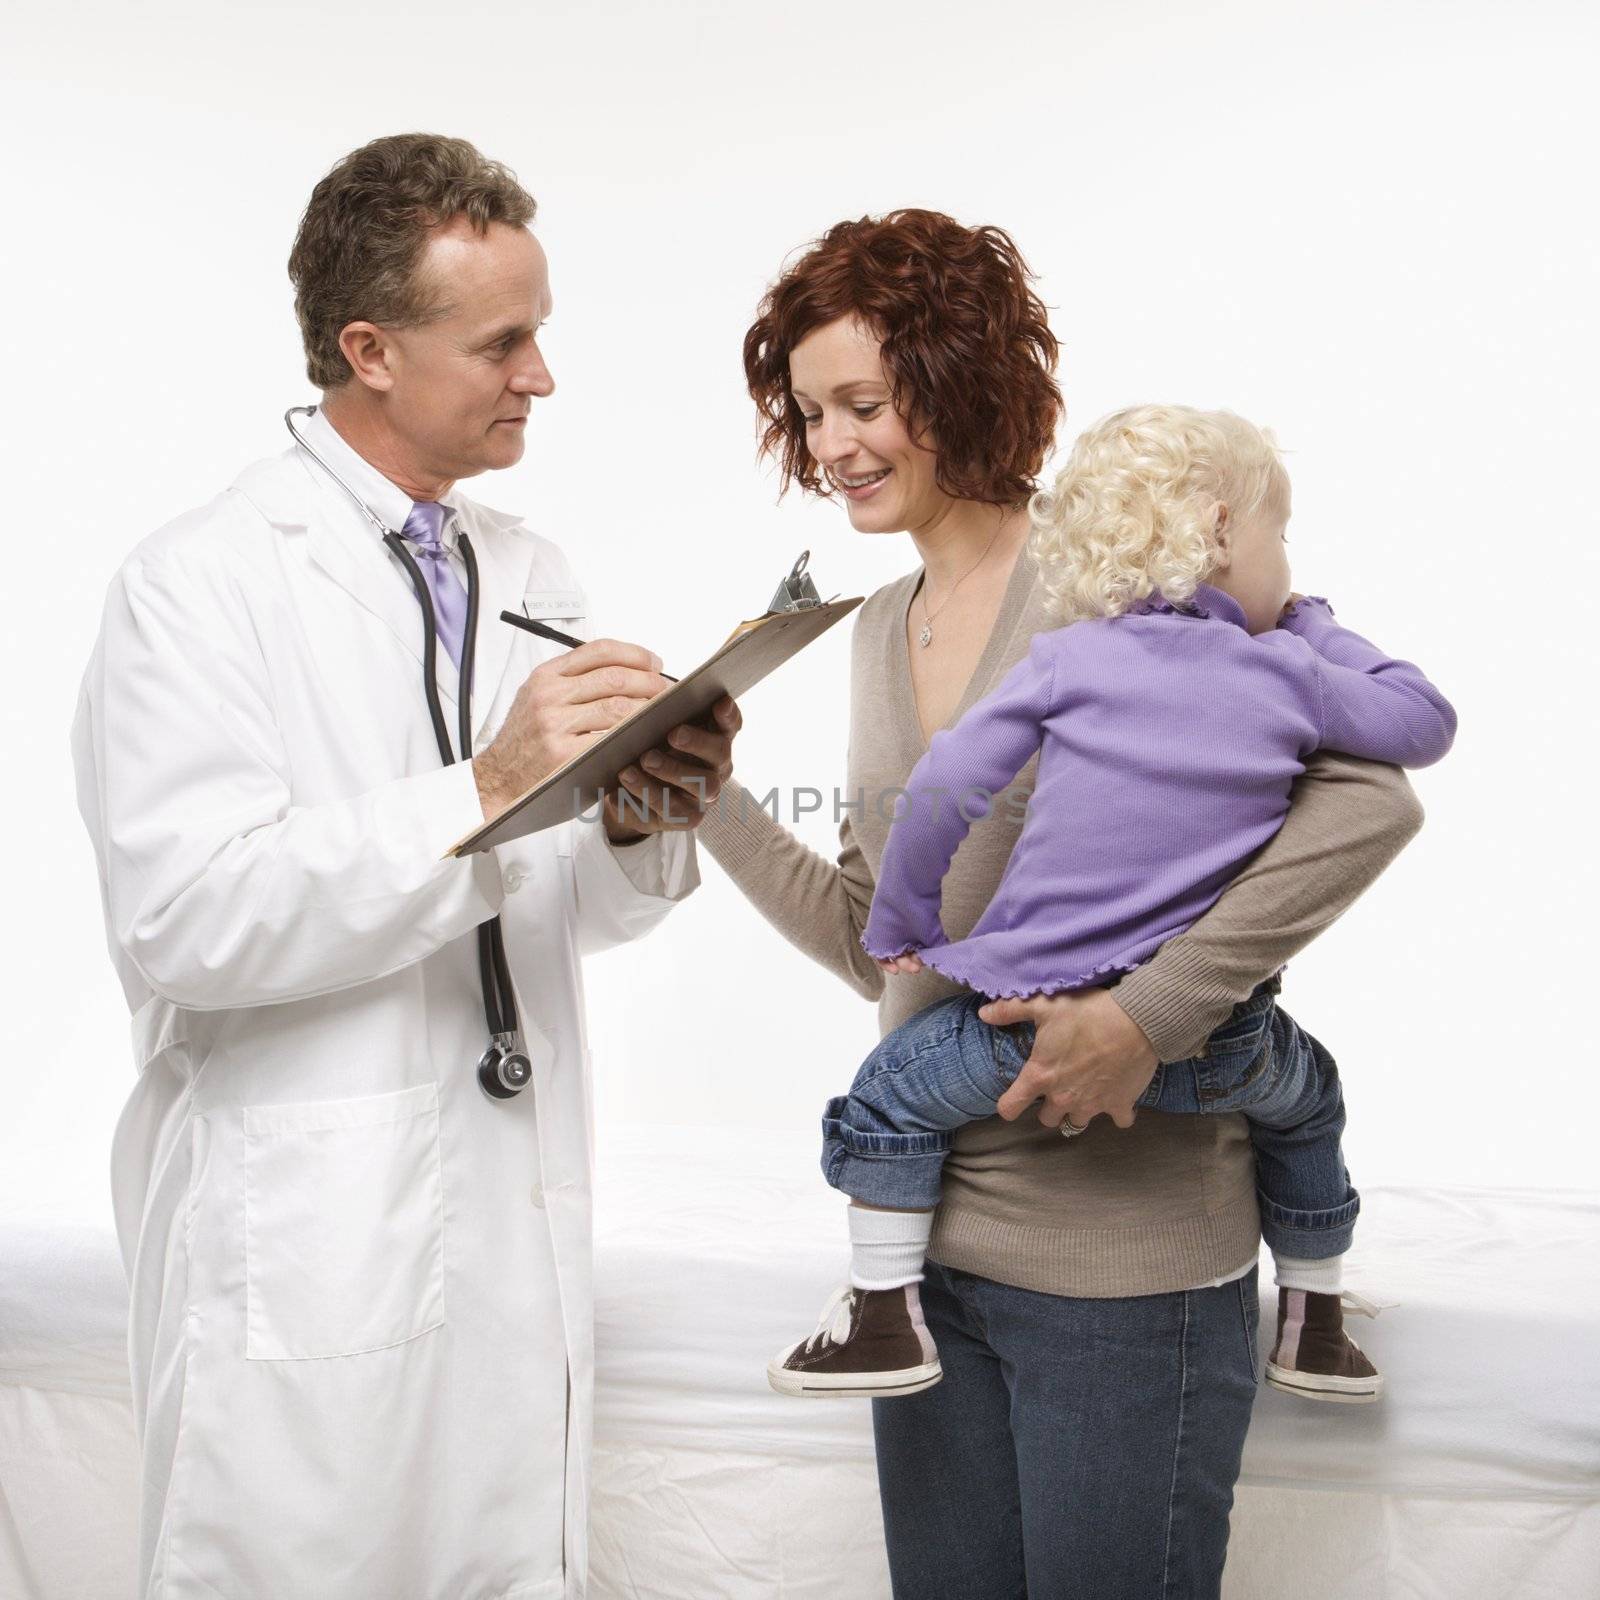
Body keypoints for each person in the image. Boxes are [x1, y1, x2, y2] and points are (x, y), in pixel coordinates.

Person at [698, 210, 1428, 1597]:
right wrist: (711, 805)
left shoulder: (1122, 579)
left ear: (964, 381)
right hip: (927, 1270)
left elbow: (1370, 803)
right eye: (809, 413)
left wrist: (1151, 1018)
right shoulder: (871, 630)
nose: (833, 445)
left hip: (1126, 1276)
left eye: (863, 403)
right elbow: (889, 951)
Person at [69, 132, 738, 1600]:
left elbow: (545, 910)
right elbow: (187, 919)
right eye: (503, 342)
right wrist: (491, 784)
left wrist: (636, 817)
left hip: (508, 1205)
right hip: (311, 1218)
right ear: (368, 348)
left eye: (540, 333)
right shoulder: (203, 581)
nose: (541, 376)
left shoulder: (530, 568)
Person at [766, 402, 1456, 1408]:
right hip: (1219, 1049)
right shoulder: (1290, 674)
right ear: (1222, 531)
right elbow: (1423, 723)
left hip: (1016, 1029)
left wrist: (902, 925)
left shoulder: (1065, 659)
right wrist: (1319, 631)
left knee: (885, 1097)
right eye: (1281, 538)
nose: (1288, 570)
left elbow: (936, 796)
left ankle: (881, 1313)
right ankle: (1313, 1318)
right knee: (1308, 1103)